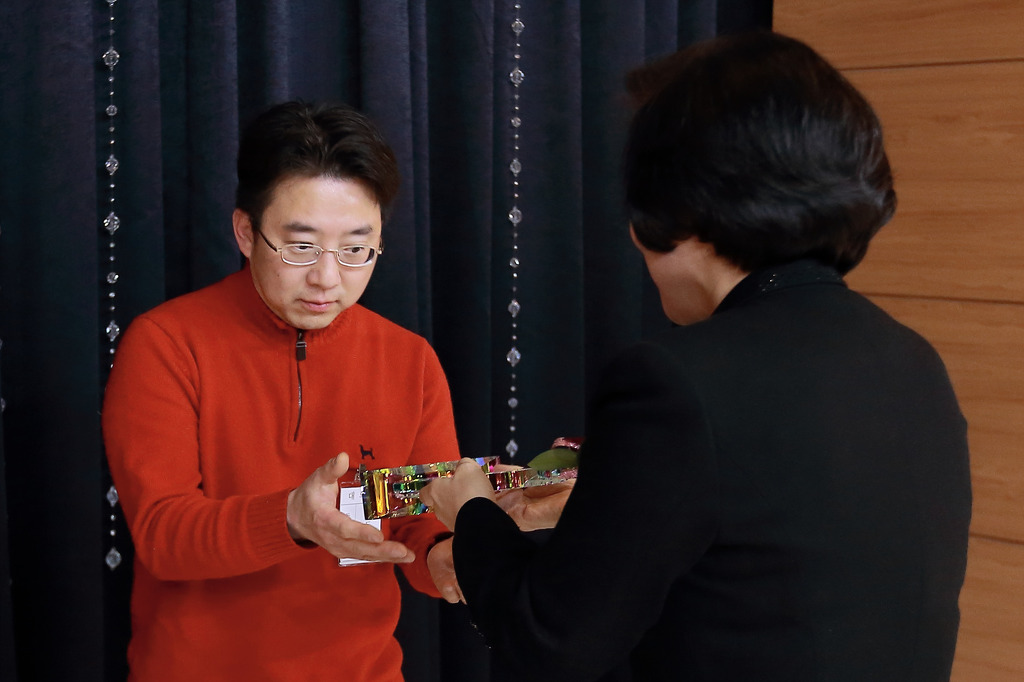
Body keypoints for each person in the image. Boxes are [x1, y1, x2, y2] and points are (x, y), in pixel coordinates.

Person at [421, 31, 972, 682]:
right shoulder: (913, 360)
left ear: (677, 208)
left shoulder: (675, 380)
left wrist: (472, 511)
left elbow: (549, 641)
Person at [102, 101, 461, 681]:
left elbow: (416, 518)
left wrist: (448, 558)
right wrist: (291, 517)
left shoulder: (410, 360)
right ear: (246, 231)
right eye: (300, 247)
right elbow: (163, 536)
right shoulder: (166, 344)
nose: (327, 278)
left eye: (355, 249)